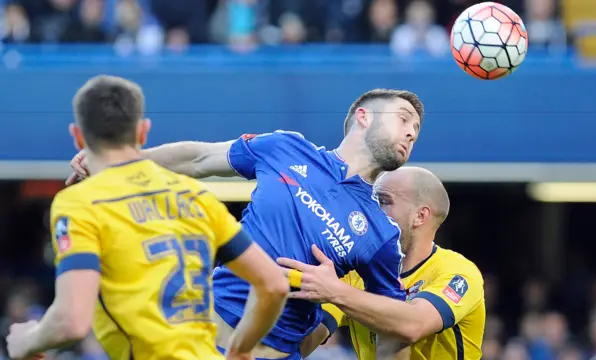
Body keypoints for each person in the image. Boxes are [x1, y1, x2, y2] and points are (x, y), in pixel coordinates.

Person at [67, 88, 424, 359]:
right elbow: (199, 157)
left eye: (416, 129)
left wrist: (339, 294)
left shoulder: (382, 234)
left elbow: (398, 328)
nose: (411, 133)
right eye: (404, 119)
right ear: (364, 116)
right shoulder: (286, 148)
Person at [5, 75, 288, 360]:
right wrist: (241, 347)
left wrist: (26, 341)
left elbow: (72, 321)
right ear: (143, 132)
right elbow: (274, 284)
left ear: (78, 136)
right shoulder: (194, 195)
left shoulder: (79, 203)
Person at [282, 167, 486, 359]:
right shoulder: (355, 273)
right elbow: (304, 343)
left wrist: (335, 291)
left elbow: (412, 325)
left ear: (420, 216)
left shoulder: (459, 273)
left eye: (383, 202)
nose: (371, 212)